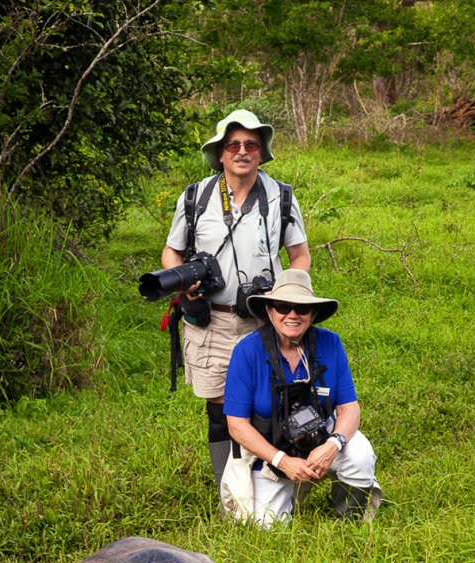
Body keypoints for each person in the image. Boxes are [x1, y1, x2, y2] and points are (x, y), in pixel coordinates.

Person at [161, 109, 310, 496]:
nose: (242, 151)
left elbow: (300, 256)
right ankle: (229, 490)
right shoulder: (196, 197)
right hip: (211, 320)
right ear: (221, 154)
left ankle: (270, 480)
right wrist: (183, 286)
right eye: (233, 145)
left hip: (265, 320)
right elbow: (170, 253)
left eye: (250, 144)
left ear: (261, 152)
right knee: (220, 409)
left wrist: (288, 298)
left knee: (268, 401)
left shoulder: (281, 197)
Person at [221, 269, 382, 527]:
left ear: (313, 314)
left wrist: (332, 446)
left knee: (360, 455)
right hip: (268, 447)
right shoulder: (246, 351)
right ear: (270, 311)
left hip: (321, 434)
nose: (292, 314)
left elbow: (350, 409)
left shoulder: (331, 343)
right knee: (264, 525)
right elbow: (236, 425)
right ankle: (289, 492)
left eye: (302, 308)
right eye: (283, 306)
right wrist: (283, 461)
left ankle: (351, 520)